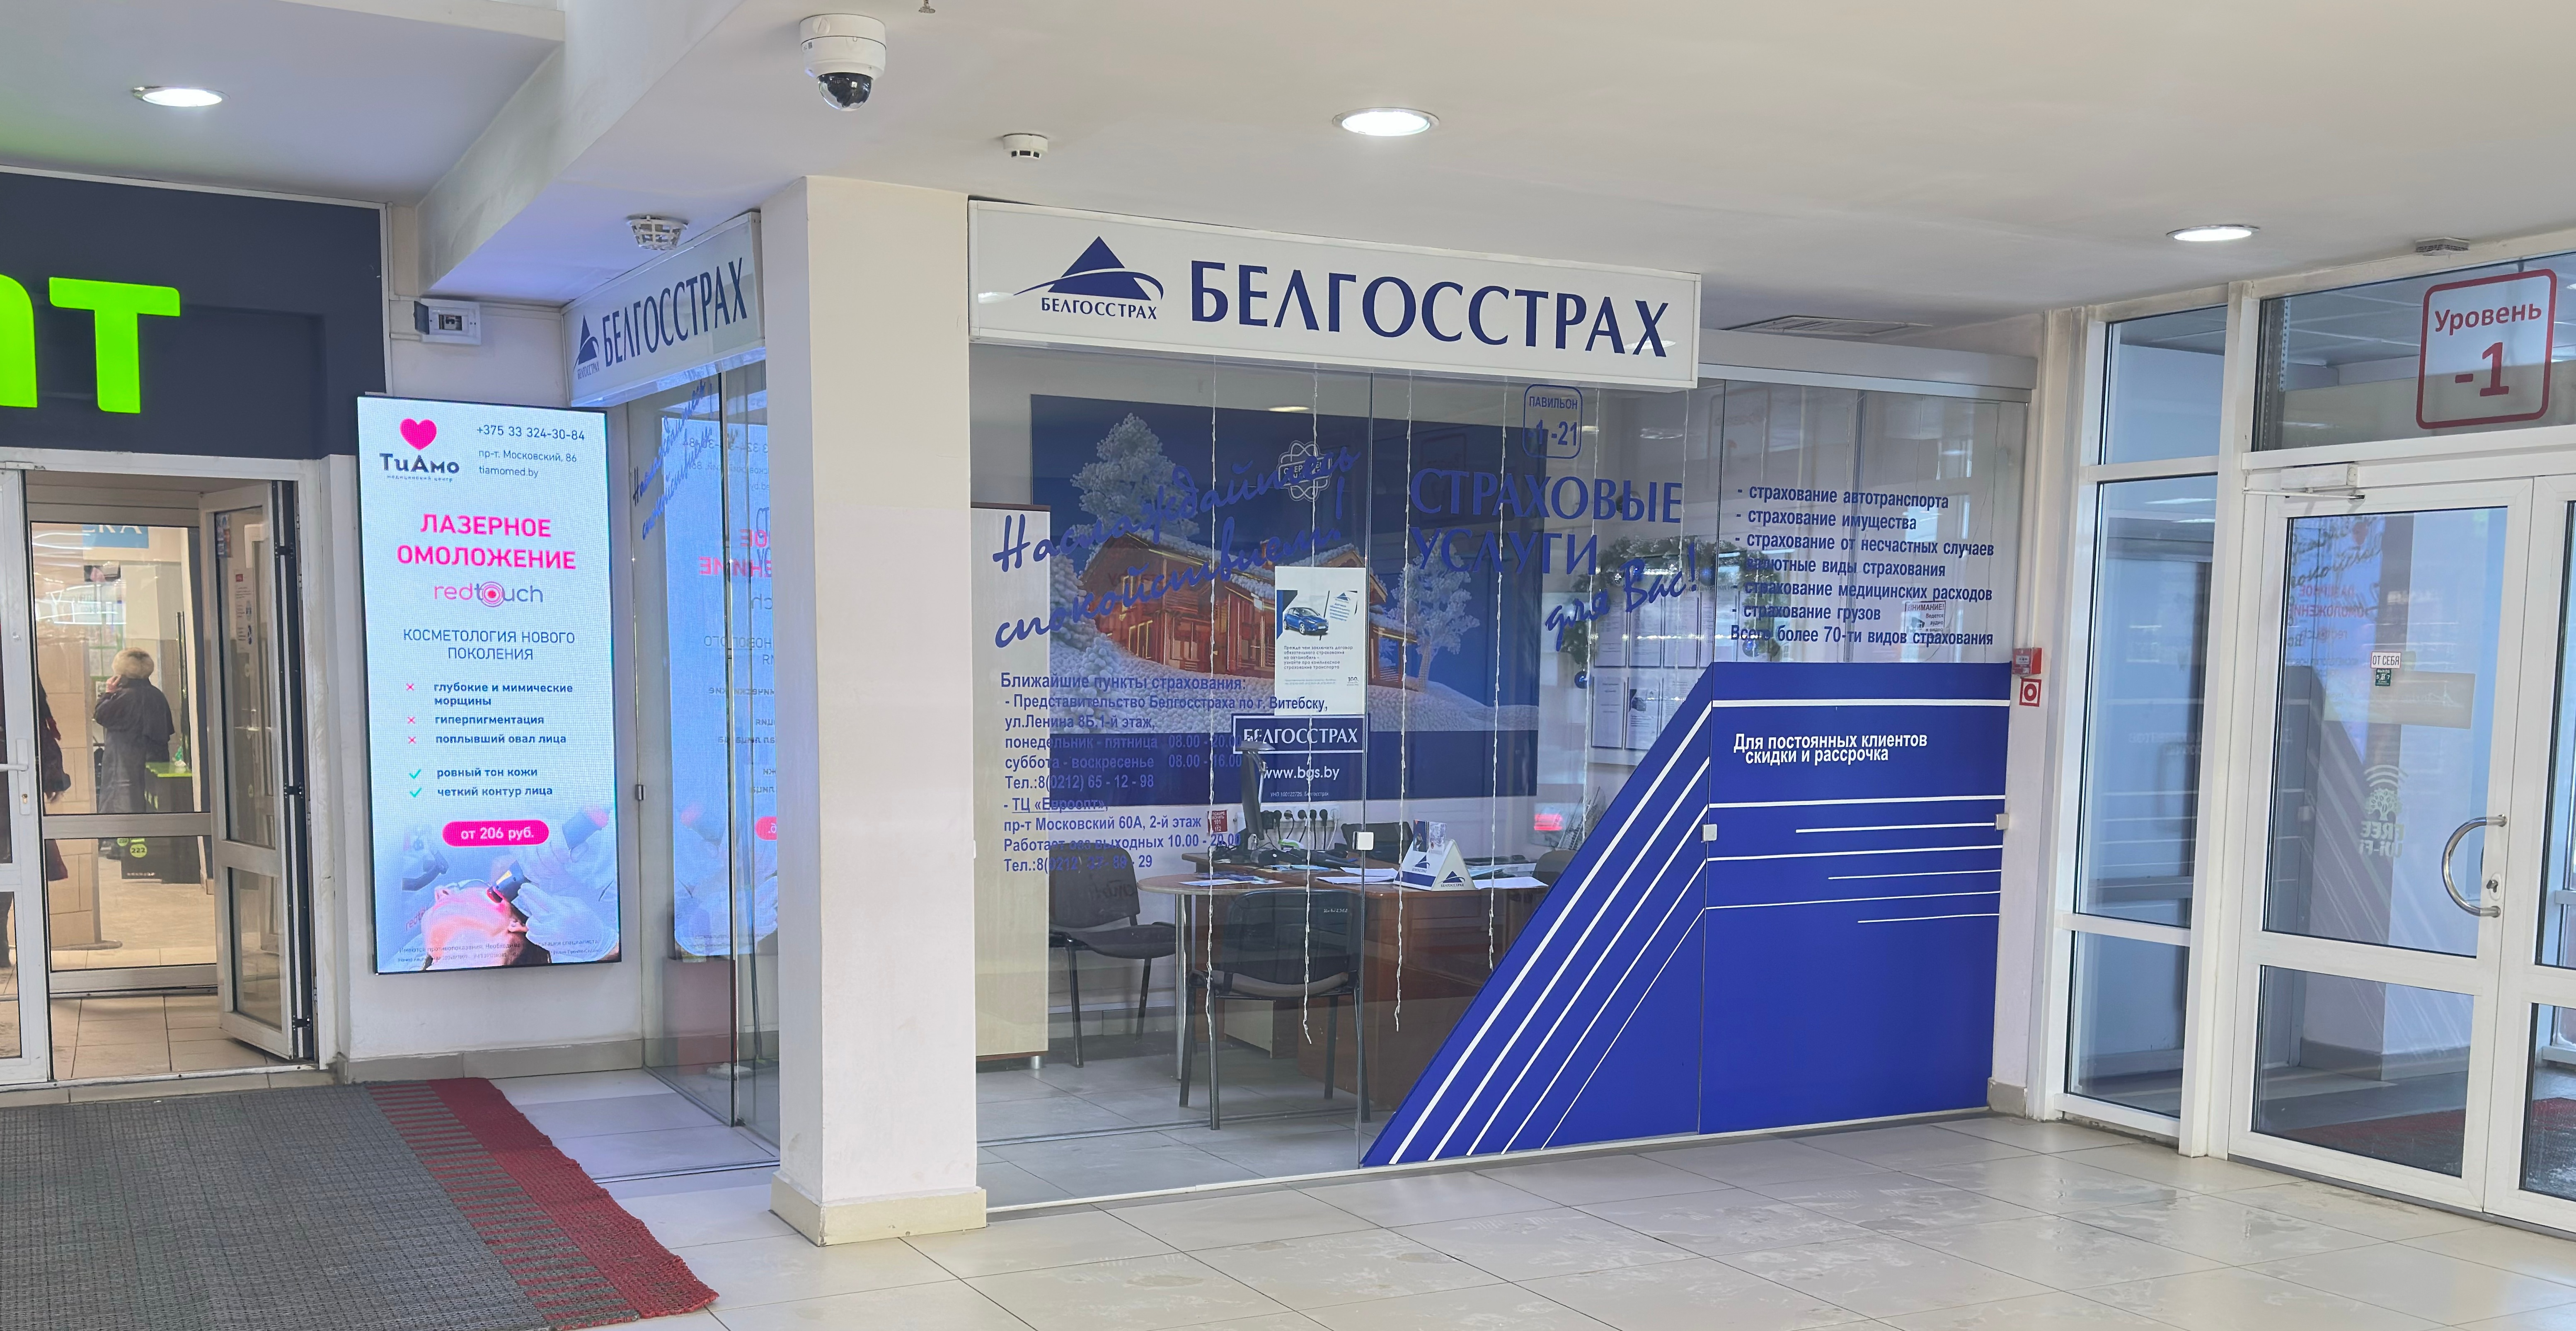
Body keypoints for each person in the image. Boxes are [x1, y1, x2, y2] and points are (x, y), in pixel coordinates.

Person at [92, 649, 173, 815]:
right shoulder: (158, 696)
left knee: (123, 807)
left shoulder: (124, 697)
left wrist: (108, 693)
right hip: (154, 763)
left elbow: (101, 715)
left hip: (124, 762)